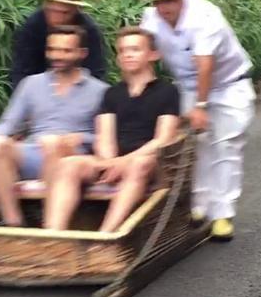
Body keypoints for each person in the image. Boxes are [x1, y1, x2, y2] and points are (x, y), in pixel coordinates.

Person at [137, 0, 253, 241]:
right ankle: (199, 206)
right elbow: (145, 54)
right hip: (188, 86)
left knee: (226, 145)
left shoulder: (204, 16)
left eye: (169, 0)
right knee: (195, 146)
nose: (164, 7)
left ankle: (222, 214)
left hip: (228, 86)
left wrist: (200, 106)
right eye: (158, 1)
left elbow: (205, 65)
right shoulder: (151, 19)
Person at [44, 28, 182, 233]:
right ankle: (53, 235)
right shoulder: (111, 93)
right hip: (111, 161)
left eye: (135, 49)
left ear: (153, 54)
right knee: (68, 164)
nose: (127, 55)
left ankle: (106, 235)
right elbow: (105, 137)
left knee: (140, 164)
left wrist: (122, 162)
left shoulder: (167, 91)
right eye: (123, 50)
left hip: (148, 161)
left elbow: (162, 139)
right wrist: (109, 162)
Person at [0, 26, 106, 227]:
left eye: (66, 51)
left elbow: (108, 138)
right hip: (32, 152)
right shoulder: (31, 84)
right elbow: (9, 123)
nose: (57, 56)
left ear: (82, 53)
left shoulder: (100, 91)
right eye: (52, 49)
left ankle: (51, 222)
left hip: (71, 154)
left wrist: (82, 138)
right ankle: (13, 222)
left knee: (52, 143)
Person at [8, 0, 108, 89]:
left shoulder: (88, 30)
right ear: (45, 6)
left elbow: (96, 69)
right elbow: (22, 67)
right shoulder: (33, 25)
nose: (57, 18)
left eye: (64, 13)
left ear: (76, 10)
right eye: (52, 11)